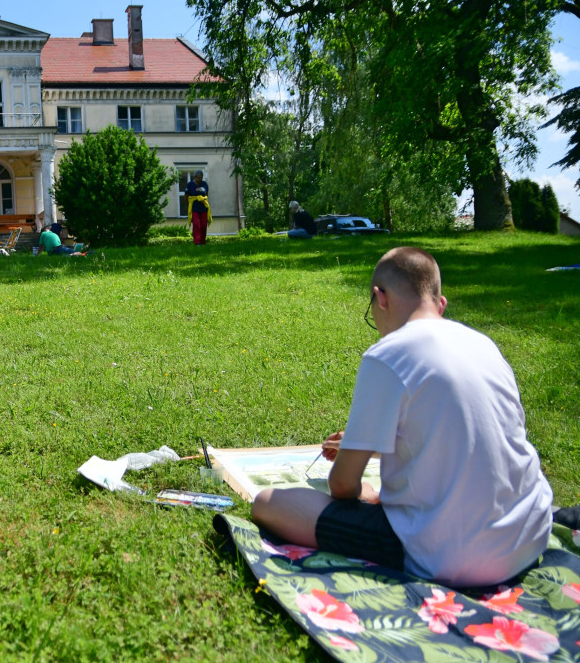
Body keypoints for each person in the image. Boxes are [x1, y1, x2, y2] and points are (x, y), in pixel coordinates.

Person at [251, 247, 552, 587]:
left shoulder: (388, 354)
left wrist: (361, 485)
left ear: (381, 298)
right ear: (440, 304)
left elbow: (341, 485)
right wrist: (366, 446)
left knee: (268, 503)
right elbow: (465, 436)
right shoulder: (484, 344)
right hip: (528, 535)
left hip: (454, 557)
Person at [185, 171, 211, 245]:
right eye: (198, 177)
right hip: (194, 208)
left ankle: (203, 241)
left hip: (203, 208)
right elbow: (186, 196)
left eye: (201, 177)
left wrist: (203, 199)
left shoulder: (204, 184)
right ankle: (197, 242)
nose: (199, 179)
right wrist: (188, 205)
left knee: (203, 225)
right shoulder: (190, 185)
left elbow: (206, 194)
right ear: (195, 177)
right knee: (197, 225)